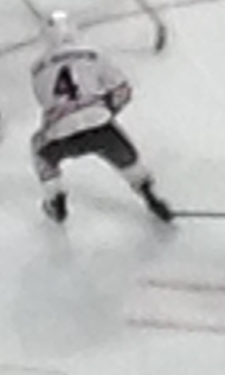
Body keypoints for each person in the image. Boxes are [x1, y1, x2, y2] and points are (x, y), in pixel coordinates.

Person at [28, 12, 175, 222]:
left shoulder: (36, 69)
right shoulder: (93, 54)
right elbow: (122, 90)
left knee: (38, 149)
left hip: (60, 133)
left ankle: (55, 198)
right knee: (127, 159)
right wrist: (105, 111)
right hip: (99, 126)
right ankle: (149, 194)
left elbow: (44, 101)